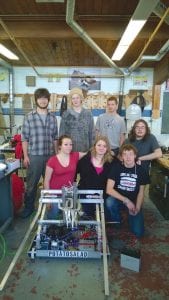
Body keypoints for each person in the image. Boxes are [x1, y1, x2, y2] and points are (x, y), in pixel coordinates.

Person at [20, 88, 58, 218]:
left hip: (50, 157)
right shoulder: (29, 117)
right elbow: (24, 138)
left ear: (48, 100)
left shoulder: (53, 118)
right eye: (40, 98)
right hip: (34, 156)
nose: (43, 100)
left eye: (45, 98)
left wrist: (57, 155)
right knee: (31, 185)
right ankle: (29, 207)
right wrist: (25, 156)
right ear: (36, 100)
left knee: (50, 184)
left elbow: (55, 138)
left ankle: (51, 207)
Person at [106, 144, 149, 238]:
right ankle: (117, 221)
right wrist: (126, 200)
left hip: (134, 200)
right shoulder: (116, 168)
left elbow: (141, 192)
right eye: (125, 154)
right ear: (121, 157)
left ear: (135, 155)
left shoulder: (141, 171)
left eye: (130, 154)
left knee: (138, 233)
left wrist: (137, 208)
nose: (128, 157)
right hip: (119, 198)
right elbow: (109, 189)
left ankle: (131, 216)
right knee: (109, 202)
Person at [44, 135, 86, 218]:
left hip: (68, 194)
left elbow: (89, 153)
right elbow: (46, 181)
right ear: (60, 146)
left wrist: (106, 151)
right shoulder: (52, 160)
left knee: (68, 221)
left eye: (71, 144)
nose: (69, 147)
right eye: (66, 144)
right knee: (52, 220)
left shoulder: (75, 156)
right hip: (55, 194)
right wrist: (48, 198)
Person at [77, 135, 114, 217]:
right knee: (88, 217)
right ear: (94, 146)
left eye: (104, 146)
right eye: (99, 145)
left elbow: (124, 162)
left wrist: (136, 160)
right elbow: (73, 171)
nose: (101, 148)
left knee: (105, 217)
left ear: (107, 148)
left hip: (103, 194)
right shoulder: (85, 160)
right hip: (86, 193)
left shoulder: (111, 161)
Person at [59, 87, 95, 152]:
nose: (75, 100)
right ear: (71, 100)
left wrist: (92, 149)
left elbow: (92, 133)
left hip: (85, 150)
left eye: (77, 98)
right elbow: (62, 134)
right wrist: (61, 150)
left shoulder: (88, 114)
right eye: (73, 98)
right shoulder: (66, 114)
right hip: (69, 151)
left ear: (81, 99)